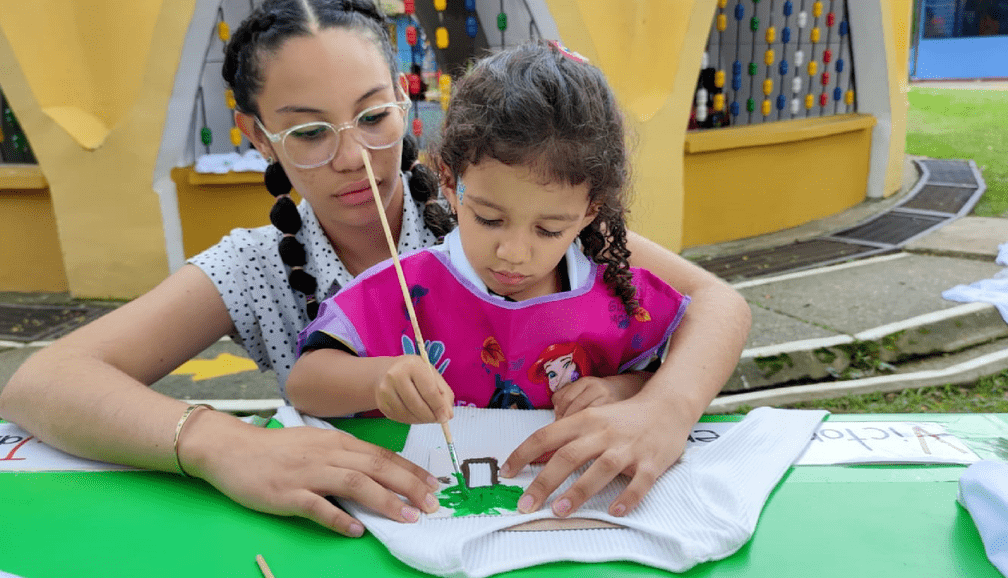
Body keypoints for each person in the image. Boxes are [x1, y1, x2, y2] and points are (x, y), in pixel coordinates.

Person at [0, 0, 750, 535]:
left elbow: (715, 305)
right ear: (258, 138)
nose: (354, 156)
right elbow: (41, 384)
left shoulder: (492, 209)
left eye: (371, 115)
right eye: (308, 132)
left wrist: (660, 407)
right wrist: (224, 445)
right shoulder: (257, 266)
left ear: (405, 99)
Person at [286, 42, 690, 444]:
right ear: (448, 180)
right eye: (489, 218)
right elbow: (303, 383)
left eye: (549, 229)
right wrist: (375, 380)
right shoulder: (407, 289)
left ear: (590, 211)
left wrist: (622, 390)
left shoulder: (615, 296)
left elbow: (652, 375)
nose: (513, 253)